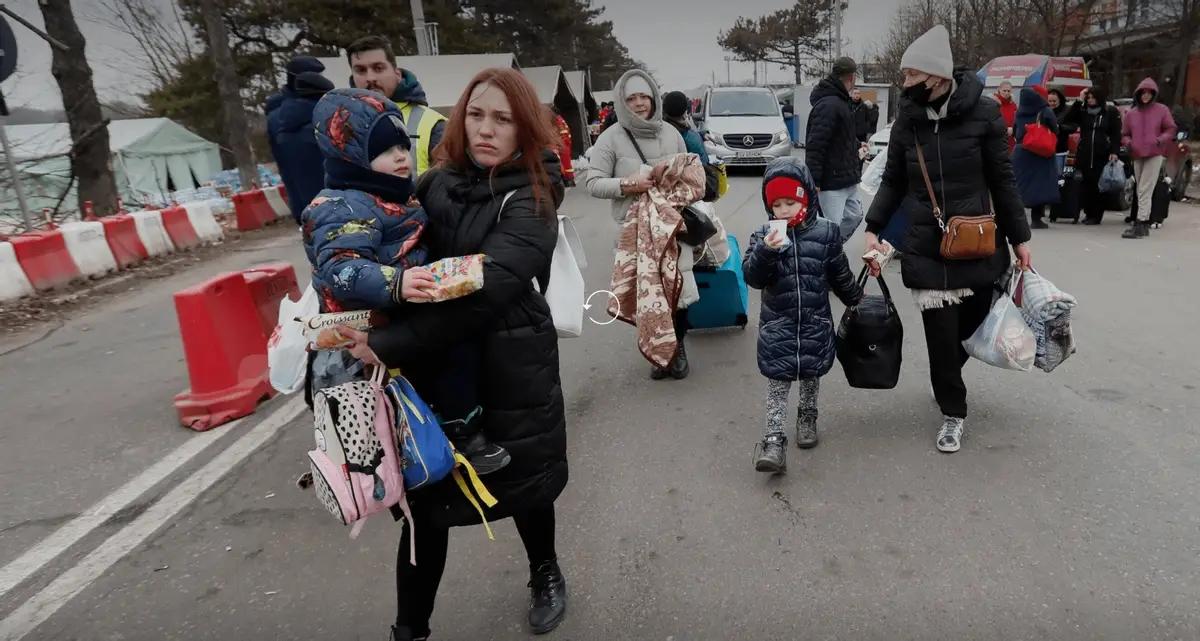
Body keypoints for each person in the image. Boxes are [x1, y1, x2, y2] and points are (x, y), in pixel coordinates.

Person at [338, 68, 569, 640]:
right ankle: (410, 628)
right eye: (476, 114)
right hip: (431, 368)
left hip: (509, 359)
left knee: (525, 482)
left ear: (525, 130)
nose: (486, 129)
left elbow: (482, 297)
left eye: (503, 119)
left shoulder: (533, 194)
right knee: (426, 504)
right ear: (461, 117)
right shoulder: (433, 182)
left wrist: (386, 344)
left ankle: (545, 570)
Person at [301, 88, 511, 475]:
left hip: (400, 304)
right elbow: (341, 267)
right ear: (351, 156)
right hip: (366, 321)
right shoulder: (338, 206)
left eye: (402, 145)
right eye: (384, 150)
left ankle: (448, 432)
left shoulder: (395, 195)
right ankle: (456, 435)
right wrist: (394, 283)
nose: (400, 156)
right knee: (441, 358)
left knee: (455, 348)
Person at [862, 25, 1032, 454]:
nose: (905, 85)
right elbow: (893, 180)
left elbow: (1004, 180)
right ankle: (953, 411)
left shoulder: (986, 114)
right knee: (941, 335)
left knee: (972, 329)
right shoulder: (908, 122)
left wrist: (1020, 238)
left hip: (978, 241)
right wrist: (873, 227)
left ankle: (947, 375)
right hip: (926, 243)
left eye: (911, 76)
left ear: (937, 78)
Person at [744, 158, 862, 473]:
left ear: (806, 197)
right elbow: (753, 278)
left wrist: (855, 299)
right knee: (777, 382)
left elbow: (839, 274)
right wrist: (766, 251)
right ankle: (772, 440)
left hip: (814, 322)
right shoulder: (763, 235)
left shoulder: (826, 233)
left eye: (791, 201)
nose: (783, 210)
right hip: (777, 325)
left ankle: (807, 417)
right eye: (777, 205)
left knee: (811, 374)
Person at [585, 69, 694, 380]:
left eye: (644, 96)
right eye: (631, 98)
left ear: (653, 98)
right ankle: (658, 352)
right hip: (634, 231)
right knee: (648, 296)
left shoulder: (672, 133)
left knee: (679, 290)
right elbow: (593, 183)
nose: (639, 103)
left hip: (672, 226)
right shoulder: (610, 138)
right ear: (622, 101)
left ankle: (677, 348)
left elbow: (688, 174)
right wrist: (627, 183)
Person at [346, 35, 448, 177]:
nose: (370, 78)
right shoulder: (341, 124)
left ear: (397, 74)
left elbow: (448, 185)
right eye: (361, 70)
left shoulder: (433, 124)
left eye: (378, 68)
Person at [267, 57, 333, 223]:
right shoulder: (324, 114)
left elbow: (283, 165)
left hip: (302, 204)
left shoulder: (276, 115)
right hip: (333, 203)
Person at [806, 56, 866, 239]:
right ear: (852, 77)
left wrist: (857, 144)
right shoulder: (829, 105)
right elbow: (816, 145)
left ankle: (829, 250)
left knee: (854, 215)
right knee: (830, 227)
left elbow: (840, 135)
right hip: (830, 182)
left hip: (846, 178)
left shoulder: (840, 101)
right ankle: (827, 255)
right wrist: (814, 181)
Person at [1120, 77, 1177, 239]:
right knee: (1141, 189)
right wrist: (1129, 143)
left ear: (1154, 94)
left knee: (1145, 188)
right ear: (1138, 94)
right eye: (1143, 93)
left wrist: (1159, 140)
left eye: (1149, 93)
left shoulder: (1162, 110)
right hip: (1137, 153)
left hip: (1154, 153)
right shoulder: (1131, 114)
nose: (1145, 96)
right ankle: (1143, 225)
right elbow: (1124, 134)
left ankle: (1140, 222)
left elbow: (1171, 128)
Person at [1012, 86, 1060, 229]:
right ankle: (1036, 218)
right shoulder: (1044, 111)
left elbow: (1015, 130)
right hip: (1041, 152)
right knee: (1040, 186)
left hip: (1021, 151)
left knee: (1021, 186)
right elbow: (1055, 129)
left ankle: (1017, 218)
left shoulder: (1019, 112)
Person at [1074, 87, 1122, 225]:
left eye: (1092, 97)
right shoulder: (1084, 112)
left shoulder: (1109, 113)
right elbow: (1069, 118)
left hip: (1102, 154)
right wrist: (1079, 100)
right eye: (1088, 98)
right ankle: (1088, 213)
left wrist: (1114, 151)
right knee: (1086, 185)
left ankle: (1096, 215)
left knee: (1099, 185)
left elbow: (1115, 134)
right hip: (1085, 153)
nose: (1090, 100)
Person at [662, 90, 710, 164]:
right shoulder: (688, 137)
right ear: (685, 111)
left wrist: (702, 135)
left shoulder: (669, 129)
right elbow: (702, 165)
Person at [548, 106, 576, 186]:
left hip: (562, 145)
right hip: (564, 145)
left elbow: (562, 135)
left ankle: (569, 180)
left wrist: (557, 144)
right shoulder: (560, 120)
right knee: (566, 164)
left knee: (565, 164)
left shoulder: (558, 121)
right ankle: (568, 180)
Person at [995, 80, 1018, 152]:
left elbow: (1016, 120)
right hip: (998, 139)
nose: (1006, 93)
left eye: (1008, 91)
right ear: (999, 90)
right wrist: (1005, 129)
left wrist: (1014, 129)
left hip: (1011, 140)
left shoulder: (1013, 105)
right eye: (1004, 90)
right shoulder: (994, 104)